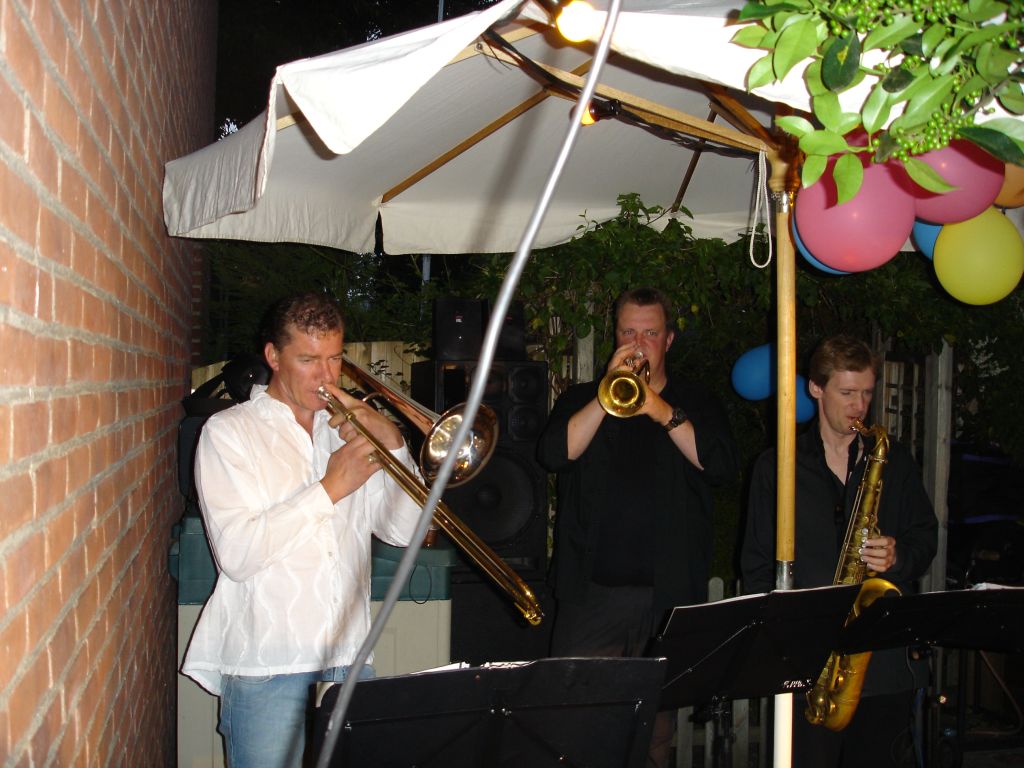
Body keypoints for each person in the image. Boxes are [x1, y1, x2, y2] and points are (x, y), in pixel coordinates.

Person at [181, 292, 423, 768]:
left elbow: (403, 531)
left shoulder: (347, 432)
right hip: (268, 666)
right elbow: (238, 554)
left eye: (334, 359)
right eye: (308, 360)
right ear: (273, 356)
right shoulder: (229, 432)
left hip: (349, 658)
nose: (326, 377)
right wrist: (330, 488)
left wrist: (395, 445)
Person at [537, 287, 738, 768]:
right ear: (615, 336)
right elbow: (553, 455)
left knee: (653, 733)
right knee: (575, 728)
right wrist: (605, 397)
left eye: (650, 333)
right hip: (591, 597)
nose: (639, 343)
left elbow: (721, 467)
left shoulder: (696, 400)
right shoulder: (584, 398)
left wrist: (659, 409)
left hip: (667, 597)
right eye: (629, 332)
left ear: (668, 339)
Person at [741, 334, 938, 768]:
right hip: (808, 663)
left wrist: (898, 556)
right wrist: (781, 641)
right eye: (847, 393)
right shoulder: (777, 466)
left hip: (883, 664)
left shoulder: (894, 460)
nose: (859, 406)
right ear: (816, 388)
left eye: (866, 393)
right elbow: (756, 562)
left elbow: (926, 536)